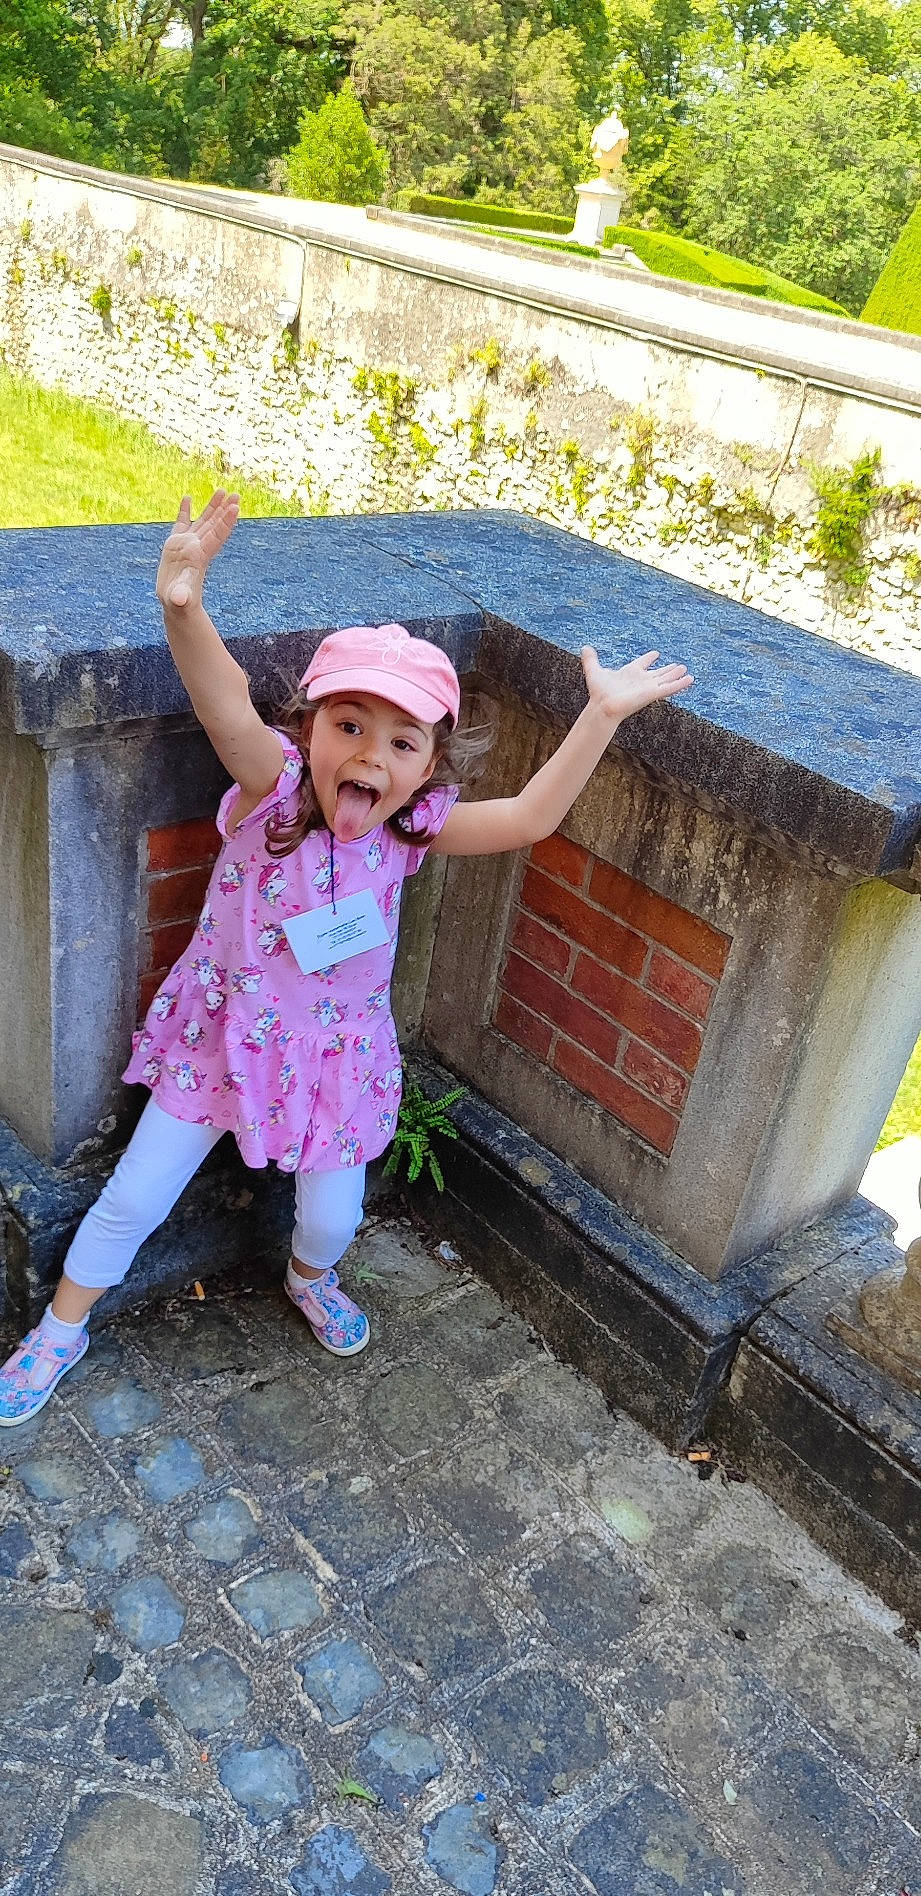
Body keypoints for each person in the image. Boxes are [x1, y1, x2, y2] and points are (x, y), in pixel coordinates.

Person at [0, 490, 693, 1425]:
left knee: (331, 1217)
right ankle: (60, 1327)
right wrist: (181, 603)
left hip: (338, 1058)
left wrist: (599, 716)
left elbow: (530, 817)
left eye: (400, 741)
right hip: (225, 1036)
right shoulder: (272, 790)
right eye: (349, 726)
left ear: (427, 767)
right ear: (310, 731)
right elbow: (224, 706)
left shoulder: (410, 833)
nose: (369, 752)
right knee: (135, 1194)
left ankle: (308, 1276)